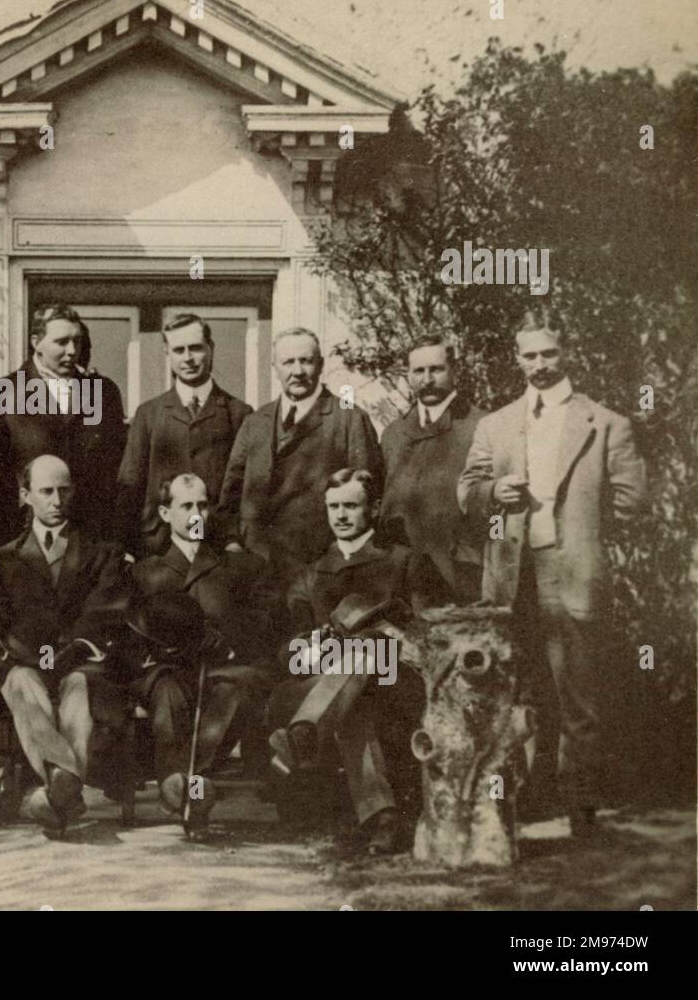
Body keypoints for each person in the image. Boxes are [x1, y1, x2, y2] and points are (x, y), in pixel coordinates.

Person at [458, 312, 646, 838]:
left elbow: (633, 502)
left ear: (566, 355)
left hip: (572, 573)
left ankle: (580, 809)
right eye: (529, 355)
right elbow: (467, 490)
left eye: (548, 354)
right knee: (509, 691)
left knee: (576, 694)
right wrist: (495, 493)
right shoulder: (495, 424)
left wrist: (586, 532)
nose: (539, 365)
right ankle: (512, 805)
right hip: (511, 576)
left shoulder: (607, 423)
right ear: (516, 358)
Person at [271, 468, 446, 854]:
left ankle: (305, 734)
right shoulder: (312, 572)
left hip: (394, 678)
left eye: (351, 505)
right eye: (333, 506)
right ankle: (383, 815)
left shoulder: (404, 562)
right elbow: (289, 651)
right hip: (327, 680)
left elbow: (432, 637)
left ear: (374, 508)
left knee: (367, 647)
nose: (341, 515)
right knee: (354, 699)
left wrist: (392, 635)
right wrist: (315, 646)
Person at [0, 455, 132, 834]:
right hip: (23, 662)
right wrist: (24, 655)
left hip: (78, 661)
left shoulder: (101, 554)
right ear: (25, 495)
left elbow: (104, 611)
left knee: (80, 688)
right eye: (46, 491)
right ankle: (65, 784)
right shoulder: (1, 560)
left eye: (64, 490)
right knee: (21, 684)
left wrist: (73, 649)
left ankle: (57, 789)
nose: (56, 500)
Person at [130, 473, 281, 827]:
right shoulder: (144, 573)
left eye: (202, 505)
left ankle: (181, 788)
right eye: (186, 506)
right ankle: (189, 792)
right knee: (165, 688)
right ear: (166, 514)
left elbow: (265, 624)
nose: (196, 514)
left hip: (222, 670)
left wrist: (226, 640)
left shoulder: (240, 567)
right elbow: (132, 634)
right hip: (169, 672)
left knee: (236, 688)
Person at [215, 327, 381, 585]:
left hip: (320, 569)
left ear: (321, 364)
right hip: (255, 567)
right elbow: (230, 495)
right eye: (288, 362)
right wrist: (233, 544)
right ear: (275, 367)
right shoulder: (255, 422)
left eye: (306, 361)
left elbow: (368, 500)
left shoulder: (349, 418)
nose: (297, 371)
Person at [0, 304, 127, 546]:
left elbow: (117, 466)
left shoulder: (102, 391)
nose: (72, 351)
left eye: (77, 341)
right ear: (36, 342)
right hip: (22, 536)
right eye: (61, 342)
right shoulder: (2, 392)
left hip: (89, 536)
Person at [117, 313, 252, 557]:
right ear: (167, 353)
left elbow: (244, 489)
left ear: (211, 348)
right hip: (158, 549)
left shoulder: (238, 413)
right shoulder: (149, 413)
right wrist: (129, 547)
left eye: (196, 348)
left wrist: (233, 540)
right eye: (179, 350)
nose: (188, 358)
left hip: (217, 546)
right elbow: (130, 486)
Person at [378, 335, 487, 601]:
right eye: (418, 371)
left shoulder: (482, 426)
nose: (427, 379)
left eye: (436, 369)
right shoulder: (394, 433)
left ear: (454, 371)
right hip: (401, 576)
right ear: (409, 375)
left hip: (459, 574)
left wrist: (491, 553)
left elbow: (499, 513)